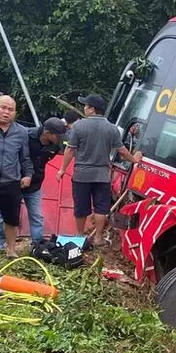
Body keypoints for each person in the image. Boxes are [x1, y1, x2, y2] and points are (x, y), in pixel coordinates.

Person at [56, 94, 142, 247]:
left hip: (81, 175)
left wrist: (62, 169)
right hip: (102, 176)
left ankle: (79, 236)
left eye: (86, 106)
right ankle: (98, 238)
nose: (84, 108)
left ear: (92, 109)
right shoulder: (112, 129)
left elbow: (69, 150)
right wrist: (134, 159)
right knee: (101, 208)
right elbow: (122, 150)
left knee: (81, 206)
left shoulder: (79, 126)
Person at [0, 117, 66, 249]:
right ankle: (2, 244)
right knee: (5, 215)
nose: (60, 139)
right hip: (15, 182)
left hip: (35, 184)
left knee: (36, 216)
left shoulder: (56, 146)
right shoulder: (26, 135)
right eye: (57, 135)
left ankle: (38, 246)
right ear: (47, 132)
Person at [0, 94, 34, 258]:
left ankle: (11, 250)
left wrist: (28, 175)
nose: (6, 112)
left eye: (10, 109)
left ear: (15, 113)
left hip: (11, 182)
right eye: (3, 108)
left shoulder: (21, 132)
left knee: (12, 218)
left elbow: (25, 158)